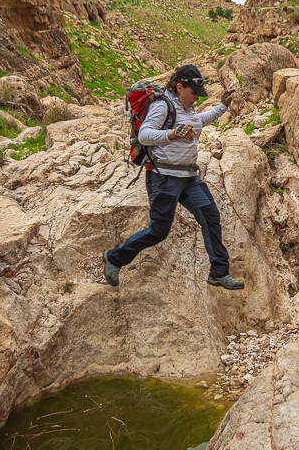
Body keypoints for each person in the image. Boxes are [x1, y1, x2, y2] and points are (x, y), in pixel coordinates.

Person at [103, 64, 243, 290]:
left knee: (210, 216)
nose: (197, 98)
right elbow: (145, 134)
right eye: (193, 93)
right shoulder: (163, 106)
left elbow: (200, 121)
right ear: (179, 87)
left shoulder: (187, 109)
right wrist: (171, 134)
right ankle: (114, 257)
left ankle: (219, 272)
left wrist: (222, 107)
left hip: (187, 177)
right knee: (158, 231)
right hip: (164, 178)